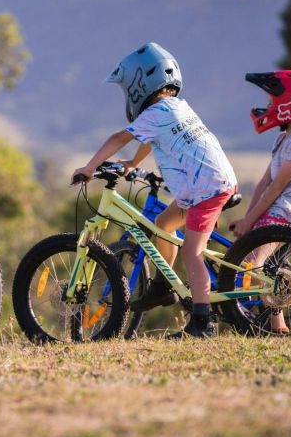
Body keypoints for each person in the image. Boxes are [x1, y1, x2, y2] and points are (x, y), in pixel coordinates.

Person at [72, 42, 237, 338]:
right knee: (164, 223)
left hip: (206, 189)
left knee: (192, 252)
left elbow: (117, 138)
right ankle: (162, 287)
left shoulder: (154, 113)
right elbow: (150, 139)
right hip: (205, 185)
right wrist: (132, 163)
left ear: (139, 85)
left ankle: (203, 323)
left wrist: (88, 167)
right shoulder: (175, 107)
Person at [228, 70, 291, 334]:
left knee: (256, 262)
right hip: (274, 213)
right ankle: (271, 322)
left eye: (272, 103)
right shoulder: (285, 138)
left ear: (289, 103)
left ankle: (263, 322)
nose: (268, 108)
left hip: (287, 214)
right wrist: (247, 220)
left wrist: (250, 221)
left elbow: (277, 187)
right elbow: (262, 184)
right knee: (248, 258)